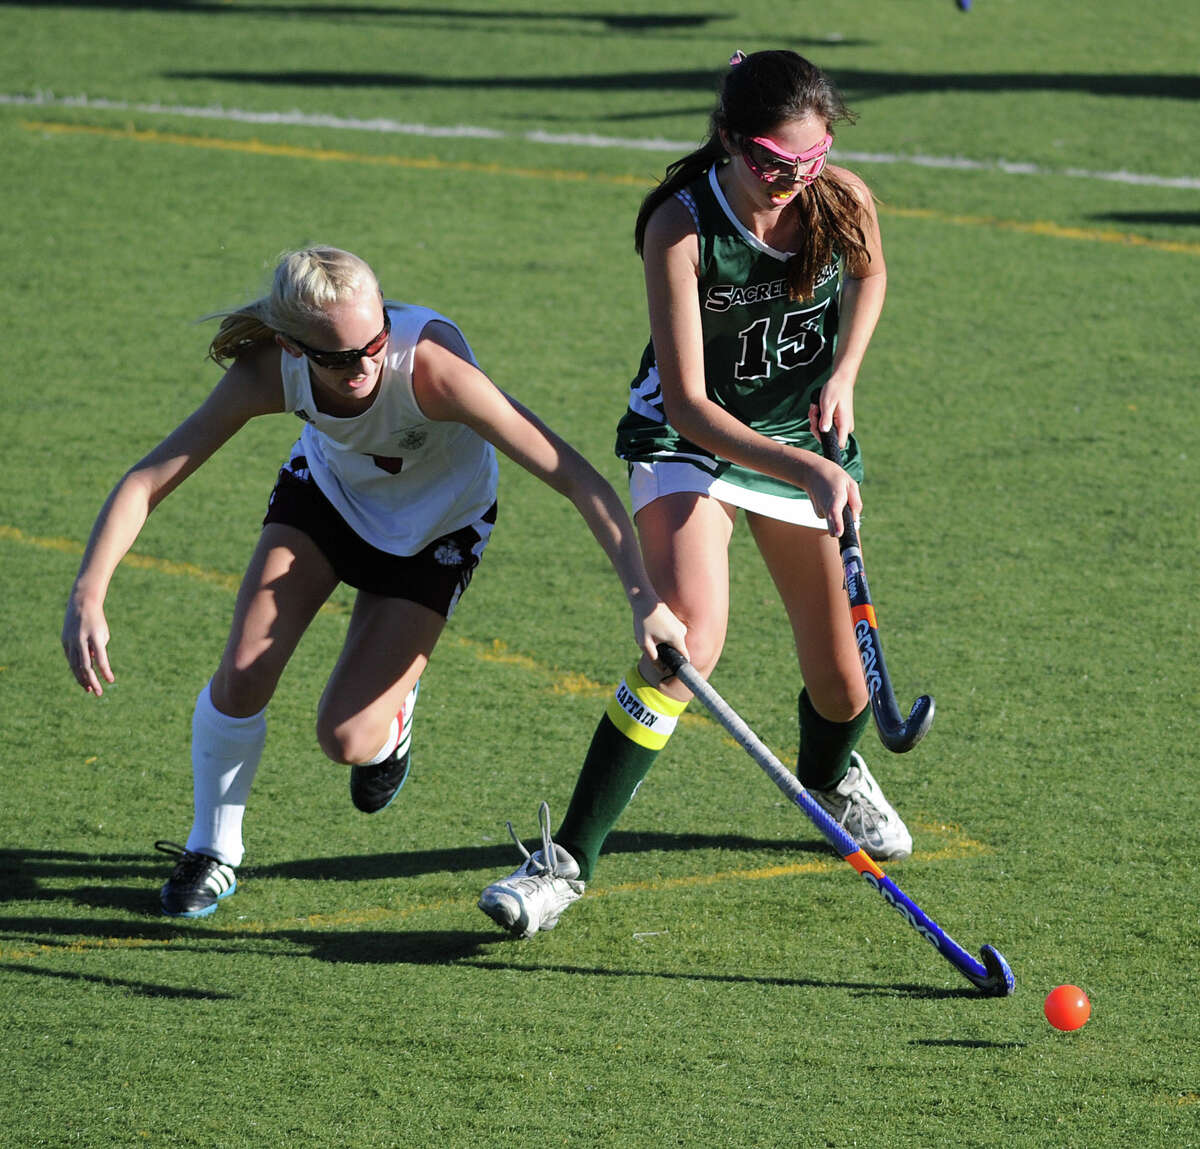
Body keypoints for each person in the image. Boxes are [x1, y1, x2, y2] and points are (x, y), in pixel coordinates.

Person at [61, 245, 687, 919]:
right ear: (292, 347)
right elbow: (148, 478)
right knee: (243, 671)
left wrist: (642, 597)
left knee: (348, 740)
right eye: (337, 358)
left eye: (374, 343)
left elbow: (577, 477)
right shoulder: (267, 374)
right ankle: (212, 851)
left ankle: (395, 712)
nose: (363, 368)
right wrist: (88, 592)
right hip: (326, 503)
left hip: (436, 534)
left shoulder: (432, 371)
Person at [479, 49, 912, 940]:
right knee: (688, 638)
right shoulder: (679, 226)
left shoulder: (842, 198)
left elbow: (869, 275)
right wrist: (809, 470)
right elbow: (690, 403)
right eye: (771, 164)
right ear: (727, 140)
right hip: (693, 443)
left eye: (810, 159)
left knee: (843, 688)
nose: (792, 182)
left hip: (799, 438)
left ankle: (830, 776)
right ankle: (565, 863)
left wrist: (846, 372)